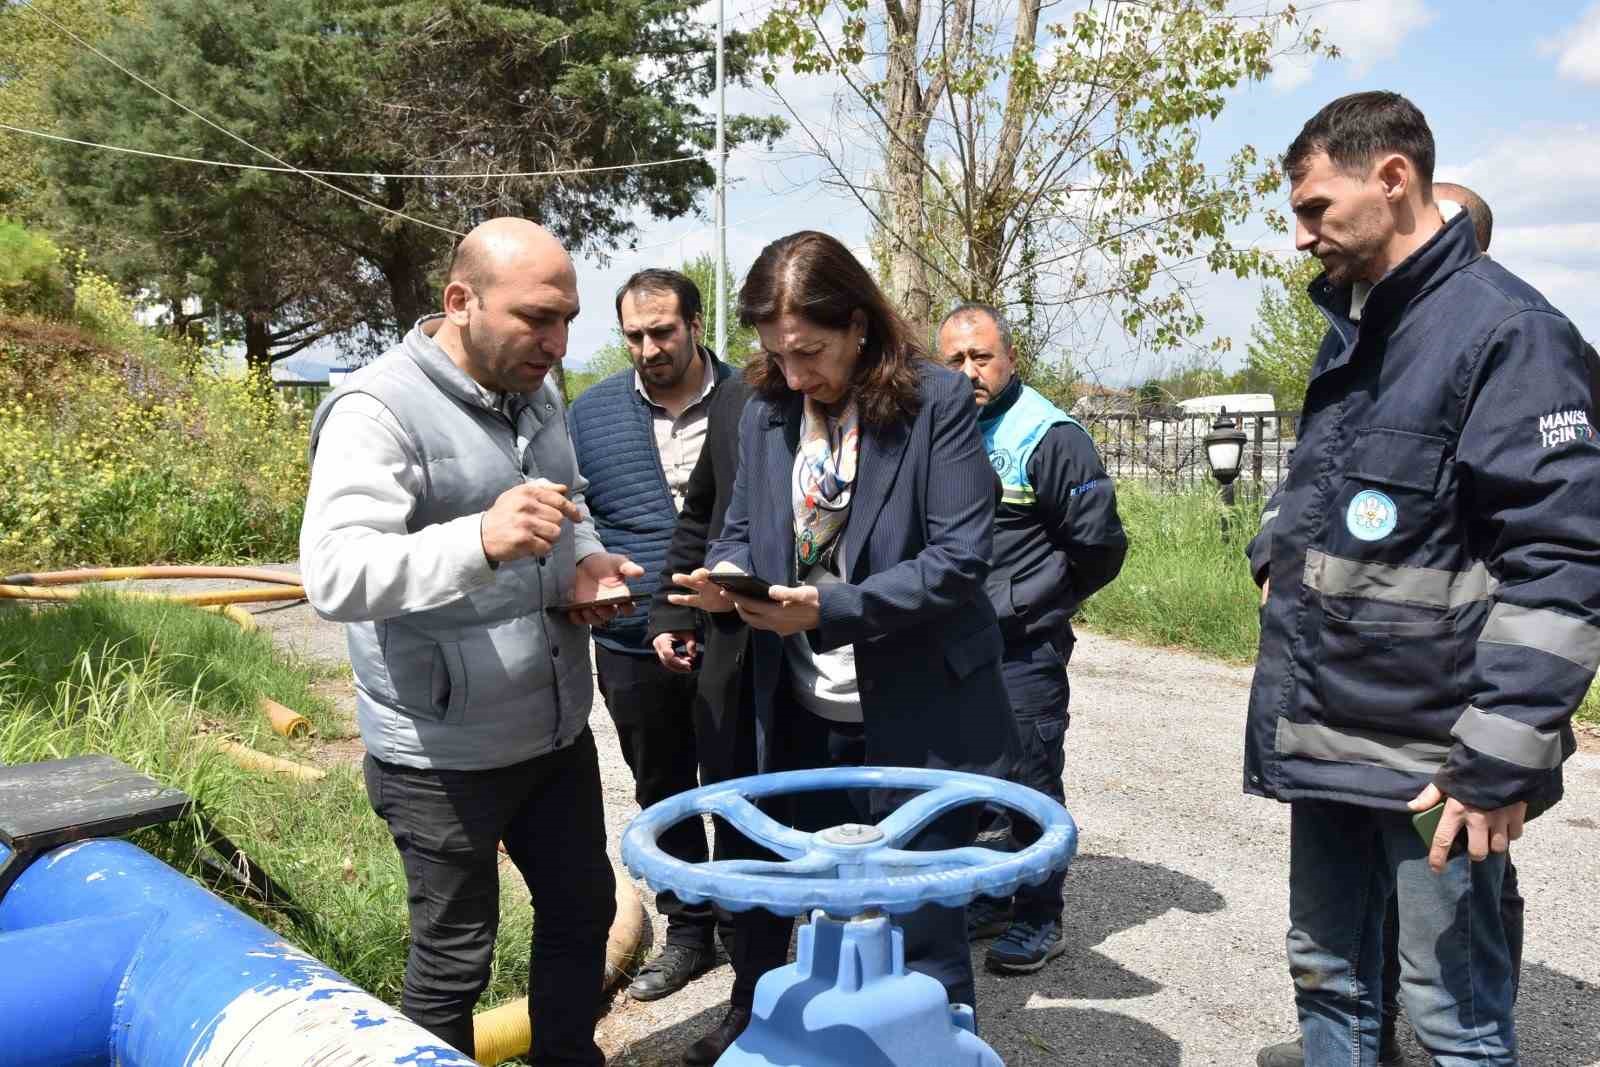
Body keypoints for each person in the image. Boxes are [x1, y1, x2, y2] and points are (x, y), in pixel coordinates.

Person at [1246, 91, 1598, 1067]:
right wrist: (1274, 555)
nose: (1300, 235)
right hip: (1332, 720)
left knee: (1451, 1012)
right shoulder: (1358, 331)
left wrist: (1495, 755)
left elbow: (1561, 559)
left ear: (1391, 178)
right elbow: (1315, 487)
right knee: (1324, 968)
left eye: (1314, 208)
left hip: (1436, 746)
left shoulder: (1509, 333)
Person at [670, 231, 1018, 1064]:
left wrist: (829, 607)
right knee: (828, 918)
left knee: (921, 930)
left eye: (810, 351)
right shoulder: (764, 409)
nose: (794, 374)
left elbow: (960, 560)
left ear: (859, 325)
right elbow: (747, 524)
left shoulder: (934, 402)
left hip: (918, 710)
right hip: (801, 711)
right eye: (775, 353)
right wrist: (728, 577)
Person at [300, 218, 643, 1064]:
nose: (558, 342)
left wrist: (585, 563)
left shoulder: (537, 392)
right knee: (456, 957)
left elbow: (570, 503)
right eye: (537, 318)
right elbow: (336, 575)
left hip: (554, 733)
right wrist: (478, 539)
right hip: (439, 755)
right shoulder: (377, 409)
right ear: (461, 301)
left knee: (582, 909)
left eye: (567, 319)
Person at [936, 303, 1127, 973]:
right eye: (954, 359)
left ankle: (1042, 917)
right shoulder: (941, 427)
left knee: (1029, 782)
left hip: (1022, 649)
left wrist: (1024, 608)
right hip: (952, 649)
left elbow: (1098, 547)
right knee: (970, 783)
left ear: (1009, 358)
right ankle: (995, 894)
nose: (968, 372)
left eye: (981, 357)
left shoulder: (1048, 434)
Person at [566, 270, 736, 1001]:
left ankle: (750, 921)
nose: (648, 347)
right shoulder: (591, 414)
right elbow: (577, 512)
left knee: (741, 783)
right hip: (634, 642)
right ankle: (688, 929)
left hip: (737, 637)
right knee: (661, 787)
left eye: (663, 330)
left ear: (696, 324)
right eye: (634, 334)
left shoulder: (752, 401)